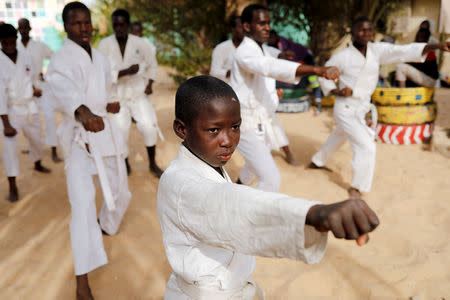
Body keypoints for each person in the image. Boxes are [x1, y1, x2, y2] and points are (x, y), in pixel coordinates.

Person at [158, 75, 380, 299]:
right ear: (182, 129)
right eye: (214, 130)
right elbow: (232, 205)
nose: (228, 140)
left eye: (235, 127)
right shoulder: (181, 184)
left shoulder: (208, 162)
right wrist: (313, 213)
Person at [309, 16, 450, 199]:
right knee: (367, 147)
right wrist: (336, 91)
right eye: (361, 30)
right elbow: (323, 75)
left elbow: (403, 51)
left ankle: (317, 161)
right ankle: (356, 188)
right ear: (352, 32)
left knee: (339, 135)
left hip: (363, 107)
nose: (366, 34)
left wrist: (437, 46)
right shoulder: (342, 57)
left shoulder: (377, 51)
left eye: (369, 30)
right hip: (346, 108)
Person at [45, 3, 131, 299]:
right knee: (82, 208)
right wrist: (83, 113)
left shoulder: (100, 58)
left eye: (87, 22)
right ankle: (82, 280)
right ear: (66, 26)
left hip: (104, 132)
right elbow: (66, 94)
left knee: (121, 191)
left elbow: (102, 92)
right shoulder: (59, 61)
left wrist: (108, 105)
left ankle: (105, 225)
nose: (84, 28)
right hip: (79, 138)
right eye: (77, 23)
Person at [230, 4, 339, 192]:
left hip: (262, 121)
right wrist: (316, 70)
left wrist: (273, 89)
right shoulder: (244, 52)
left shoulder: (261, 48)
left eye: (268, 23)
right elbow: (270, 66)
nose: (267, 28)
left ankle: (234, 191)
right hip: (246, 123)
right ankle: (243, 209)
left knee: (253, 168)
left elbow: (273, 59)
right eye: (261, 23)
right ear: (247, 27)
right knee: (271, 180)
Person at [98, 9, 164, 177]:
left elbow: (152, 65)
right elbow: (102, 72)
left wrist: (149, 83)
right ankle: (125, 163)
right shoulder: (105, 45)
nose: (119, 28)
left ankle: (152, 163)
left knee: (149, 127)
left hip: (138, 94)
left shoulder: (141, 43)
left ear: (128, 24)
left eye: (122, 24)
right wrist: (124, 71)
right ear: (112, 25)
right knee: (120, 131)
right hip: (117, 97)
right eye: (116, 25)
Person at [0, 23, 51, 202]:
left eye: (12, 42)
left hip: (30, 107)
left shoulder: (26, 56)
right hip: (10, 112)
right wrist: (6, 123)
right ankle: (13, 186)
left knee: (37, 139)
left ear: (16, 40)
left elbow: (32, 78)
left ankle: (37, 162)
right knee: (9, 149)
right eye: (4, 43)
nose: (9, 47)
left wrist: (36, 89)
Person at [16, 18, 63, 162]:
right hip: (23, 90)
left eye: (26, 27)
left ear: (30, 29)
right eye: (21, 28)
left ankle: (54, 150)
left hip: (41, 87)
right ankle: (33, 147)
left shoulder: (39, 45)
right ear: (18, 30)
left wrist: (47, 74)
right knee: (28, 119)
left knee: (49, 118)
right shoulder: (15, 47)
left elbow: (56, 57)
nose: (24, 30)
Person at [268, 30, 323, 115]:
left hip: (307, 58)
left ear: (276, 37)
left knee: (314, 80)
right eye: (268, 38)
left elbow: (287, 62)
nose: (269, 39)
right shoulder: (270, 46)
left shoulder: (282, 44)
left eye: (271, 37)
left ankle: (318, 104)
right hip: (299, 61)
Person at [210, 15, 244, 82]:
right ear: (232, 29)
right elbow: (213, 72)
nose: (244, 31)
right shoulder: (221, 48)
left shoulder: (251, 48)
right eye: (240, 27)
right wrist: (232, 72)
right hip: (228, 89)